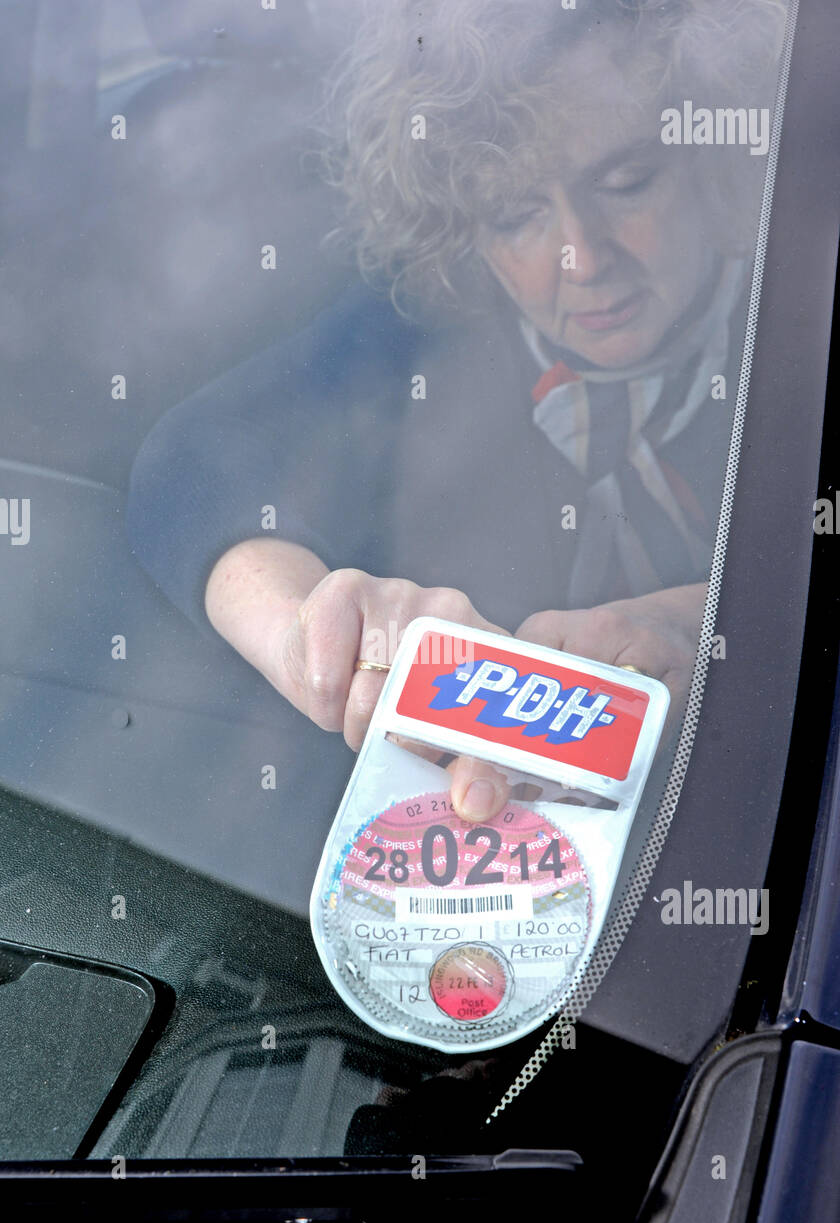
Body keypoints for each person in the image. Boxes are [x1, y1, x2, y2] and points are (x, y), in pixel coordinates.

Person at [128, 0, 786, 834]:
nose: (582, 258)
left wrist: (724, 618)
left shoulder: (806, 325)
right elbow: (190, 465)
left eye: (627, 183)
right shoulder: (422, 336)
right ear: (460, 224)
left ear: (715, 160)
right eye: (516, 215)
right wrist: (312, 633)